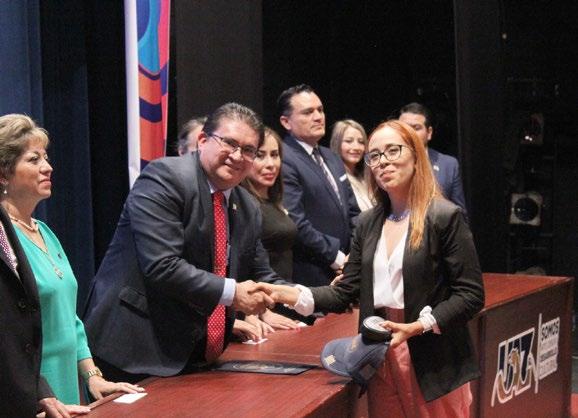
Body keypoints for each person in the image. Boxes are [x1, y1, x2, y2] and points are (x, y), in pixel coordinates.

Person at [260, 120, 484, 417]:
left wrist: (419, 325)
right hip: (380, 353)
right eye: (375, 155)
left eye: (393, 150)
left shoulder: (444, 216)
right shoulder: (368, 223)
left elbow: (470, 295)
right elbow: (344, 292)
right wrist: (285, 294)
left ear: (416, 156)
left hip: (433, 357)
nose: (383, 161)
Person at [83, 103, 283, 383]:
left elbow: (261, 273)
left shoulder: (247, 206)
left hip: (196, 355)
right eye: (229, 143)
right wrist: (233, 293)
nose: (238, 156)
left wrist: (312, 297)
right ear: (202, 140)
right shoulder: (165, 178)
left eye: (249, 150)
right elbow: (162, 266)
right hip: (134, 350)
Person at [0, 114, 137, 413]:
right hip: (29, 390)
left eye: (46, 158)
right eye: (34, 159)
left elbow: (69, 316)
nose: (47, 167)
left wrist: (92, 375)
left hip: (67, 385)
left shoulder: (45, 232)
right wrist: (33, 397)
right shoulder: (3, 242)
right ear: (3, 174)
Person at [278, 84, 360, 286]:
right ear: (286, 122)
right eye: (308, 112)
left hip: (347, 267)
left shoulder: (332, 157)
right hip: (310, 272)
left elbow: (353, 212)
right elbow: (295, 221)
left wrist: (355, 255)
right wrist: (337, 257)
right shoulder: (283, 158)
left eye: (320, 110)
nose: (318, 117)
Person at [240, 127, 307, 328]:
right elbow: (244, 267)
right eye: (260, 156)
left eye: (275, 155)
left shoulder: (275, 201)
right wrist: (261, 312)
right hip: (262, 310)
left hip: (282, 299)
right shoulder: (243, 204)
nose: (270, 164)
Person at [398, 102, 467, 214]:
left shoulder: (448, 164)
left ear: (429, 133)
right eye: (404, 128)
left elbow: (460, 213)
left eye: (416, 128)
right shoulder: (387, 162)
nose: (409, 133)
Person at [330, 119, 373, 211]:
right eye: (349, 141)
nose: (356, 147)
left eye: (361, 142)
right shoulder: (333, 179)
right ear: (337, 143)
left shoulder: (365, 178)